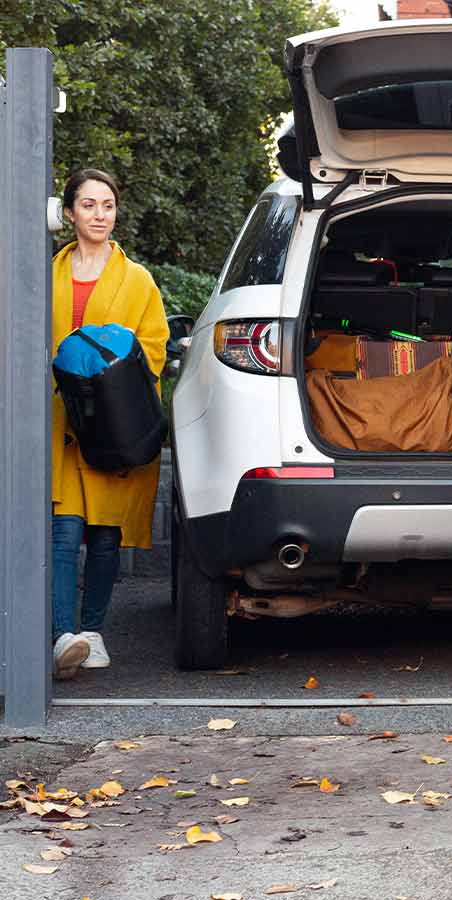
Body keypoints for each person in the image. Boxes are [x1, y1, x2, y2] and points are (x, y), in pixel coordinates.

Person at [49, 169, 168, 679]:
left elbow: (155, 346)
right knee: (60, 531)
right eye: (89, 205)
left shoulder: (136, 280)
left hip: (113, 423)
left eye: (108, 205)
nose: (100, 215)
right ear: (70, 213)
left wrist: (111, 383)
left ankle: (92, 632)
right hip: (59, 423)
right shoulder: (44, 275)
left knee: (103, 536)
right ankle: (61, 638)